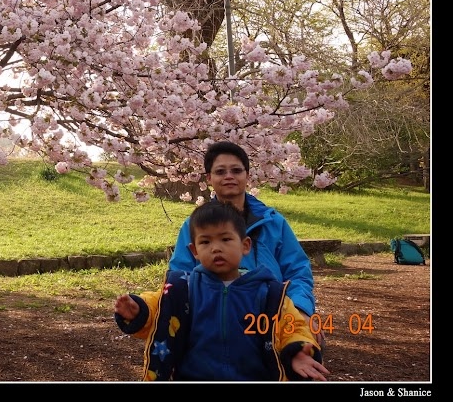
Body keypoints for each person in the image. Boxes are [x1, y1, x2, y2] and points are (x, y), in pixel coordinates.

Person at [114, 201, 329, 381]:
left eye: (226, 239)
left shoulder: (269, 293)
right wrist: (139, 310)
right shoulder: (183, 288)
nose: (216, 248)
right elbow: (158, 308)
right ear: (194, 251)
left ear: (245, 245)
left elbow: (292, 328)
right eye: (206, 241)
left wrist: (298, 352)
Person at [169, 141, 317, 320]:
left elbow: (298, 273)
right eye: (220, 171)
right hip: (210, 320)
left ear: (247, 175)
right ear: (209, 178)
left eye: (236, 171)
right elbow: (179, 277)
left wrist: (300, 311)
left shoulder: (272, 223)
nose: (229, 176)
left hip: (271, 317)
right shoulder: (194, 225)